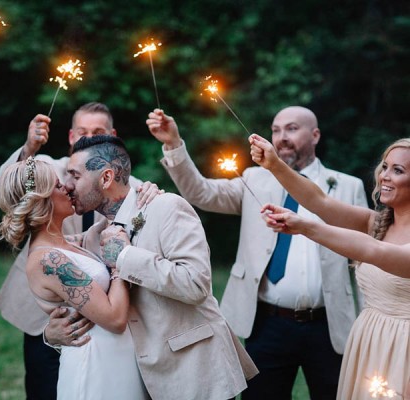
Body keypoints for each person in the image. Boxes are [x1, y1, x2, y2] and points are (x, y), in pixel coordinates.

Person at [146, 106, 368, 399]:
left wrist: (369, 322)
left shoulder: (347, 186)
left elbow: (365, 260)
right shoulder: (254, 178)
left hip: (329, 325)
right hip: (267, 322)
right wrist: (173, 145)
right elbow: (201, 193)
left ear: (315, 135)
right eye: (275, 130)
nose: (281, 137)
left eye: (291, 129)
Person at [48, 134, 258, 399]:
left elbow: (196, 284)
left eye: (75, 176)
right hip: (137, 379)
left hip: (195, 372)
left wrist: (125, 256)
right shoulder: (93, 236)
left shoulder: (167, 207)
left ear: (106, 177)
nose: (67, 185)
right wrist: (51, 333)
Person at [0, 102, 158, 399]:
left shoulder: (70, 242)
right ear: (41, 200)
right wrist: (119, 259)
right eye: (59, 186)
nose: (68, 188)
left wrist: (150, 195)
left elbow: (113, 226)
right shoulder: (50, 259)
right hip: (93, 359)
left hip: (115, 355)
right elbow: (114, 317)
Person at [251, 135, 410, 399]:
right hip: (370, 339)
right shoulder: (378, 223)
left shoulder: (374, 235)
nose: (385, 176)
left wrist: (305, 226)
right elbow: (320, 202)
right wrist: (275, 165)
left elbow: (374, 251)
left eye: (398, 170)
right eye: (385, 167)